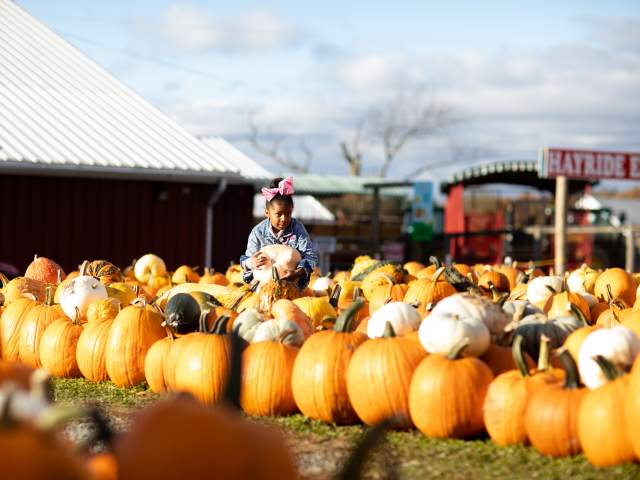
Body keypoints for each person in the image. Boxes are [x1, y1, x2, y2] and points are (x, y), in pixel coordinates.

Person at [240, 177, 318, 289]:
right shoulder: (258, 232)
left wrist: (298, 273)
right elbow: (247, 259)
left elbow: (311, 256)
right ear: (267, 212)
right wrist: (252, 262)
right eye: (279, 214)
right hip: (263, 285)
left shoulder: (298, 229)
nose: (284, 218)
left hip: (292, 284)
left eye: (288, 213)